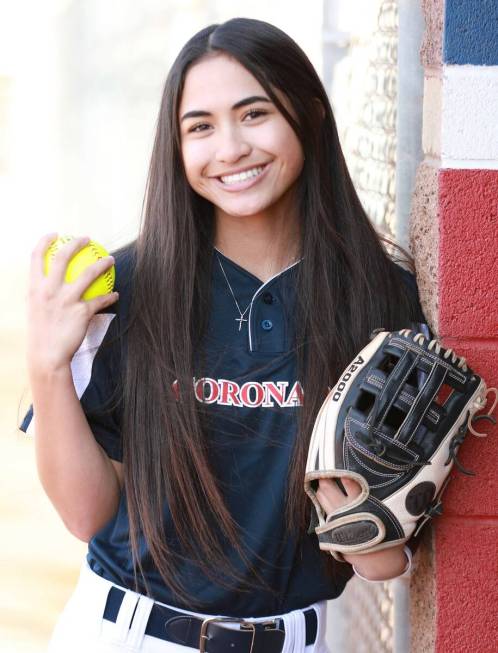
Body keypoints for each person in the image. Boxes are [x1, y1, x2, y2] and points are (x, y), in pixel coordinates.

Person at [20, 17, 428, 653]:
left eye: (254, 113)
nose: (230, 148)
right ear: (177, 147)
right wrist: (47, 368)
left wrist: (367, 522)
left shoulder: (380, 297)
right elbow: (85, 514)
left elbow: (381, 563)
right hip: (131, 636)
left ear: (312, 116)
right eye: (200, 127)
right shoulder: (126, 287)